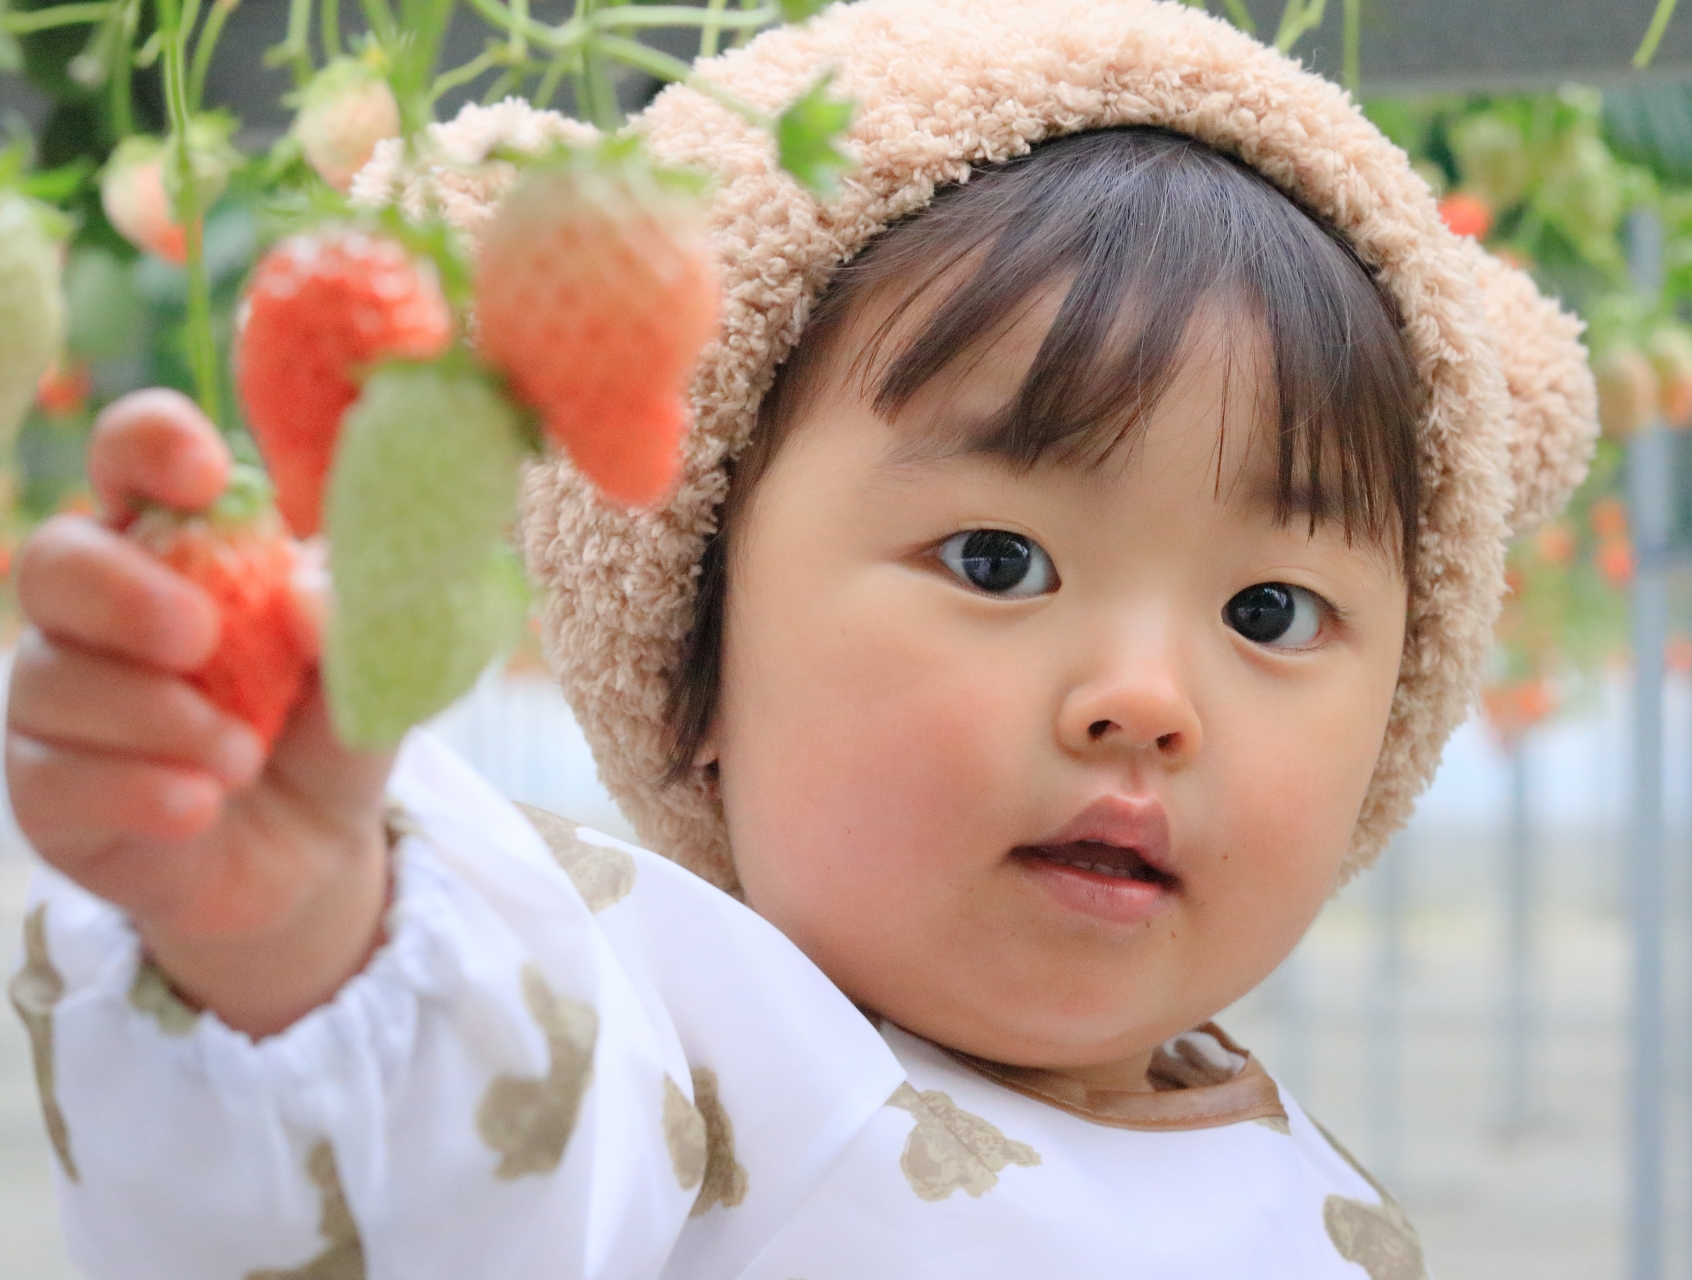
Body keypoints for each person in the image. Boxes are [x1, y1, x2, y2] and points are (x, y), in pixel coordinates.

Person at [5, 1, 1596, 1275]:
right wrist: (292, 947)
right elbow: (439, 1158)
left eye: (1269, 611)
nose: (1143, 703)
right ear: (694, 652)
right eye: (997, 558)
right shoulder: (675, 1047)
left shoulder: (1315, 1186)